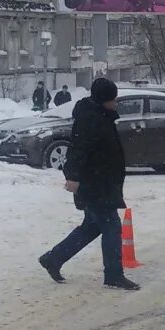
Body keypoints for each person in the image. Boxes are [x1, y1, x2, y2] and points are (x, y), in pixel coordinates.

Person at [40, 78, 140, 291]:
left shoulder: (99, 116)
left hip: (101, 181)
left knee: (91, 227)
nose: (115, 103)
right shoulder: (91, 119)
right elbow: (79, 150)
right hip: (95, 183)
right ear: (104, 99)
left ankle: (54, 259)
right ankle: (113, 275)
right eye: (113, 99)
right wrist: (73, 177)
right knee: (112, 227)